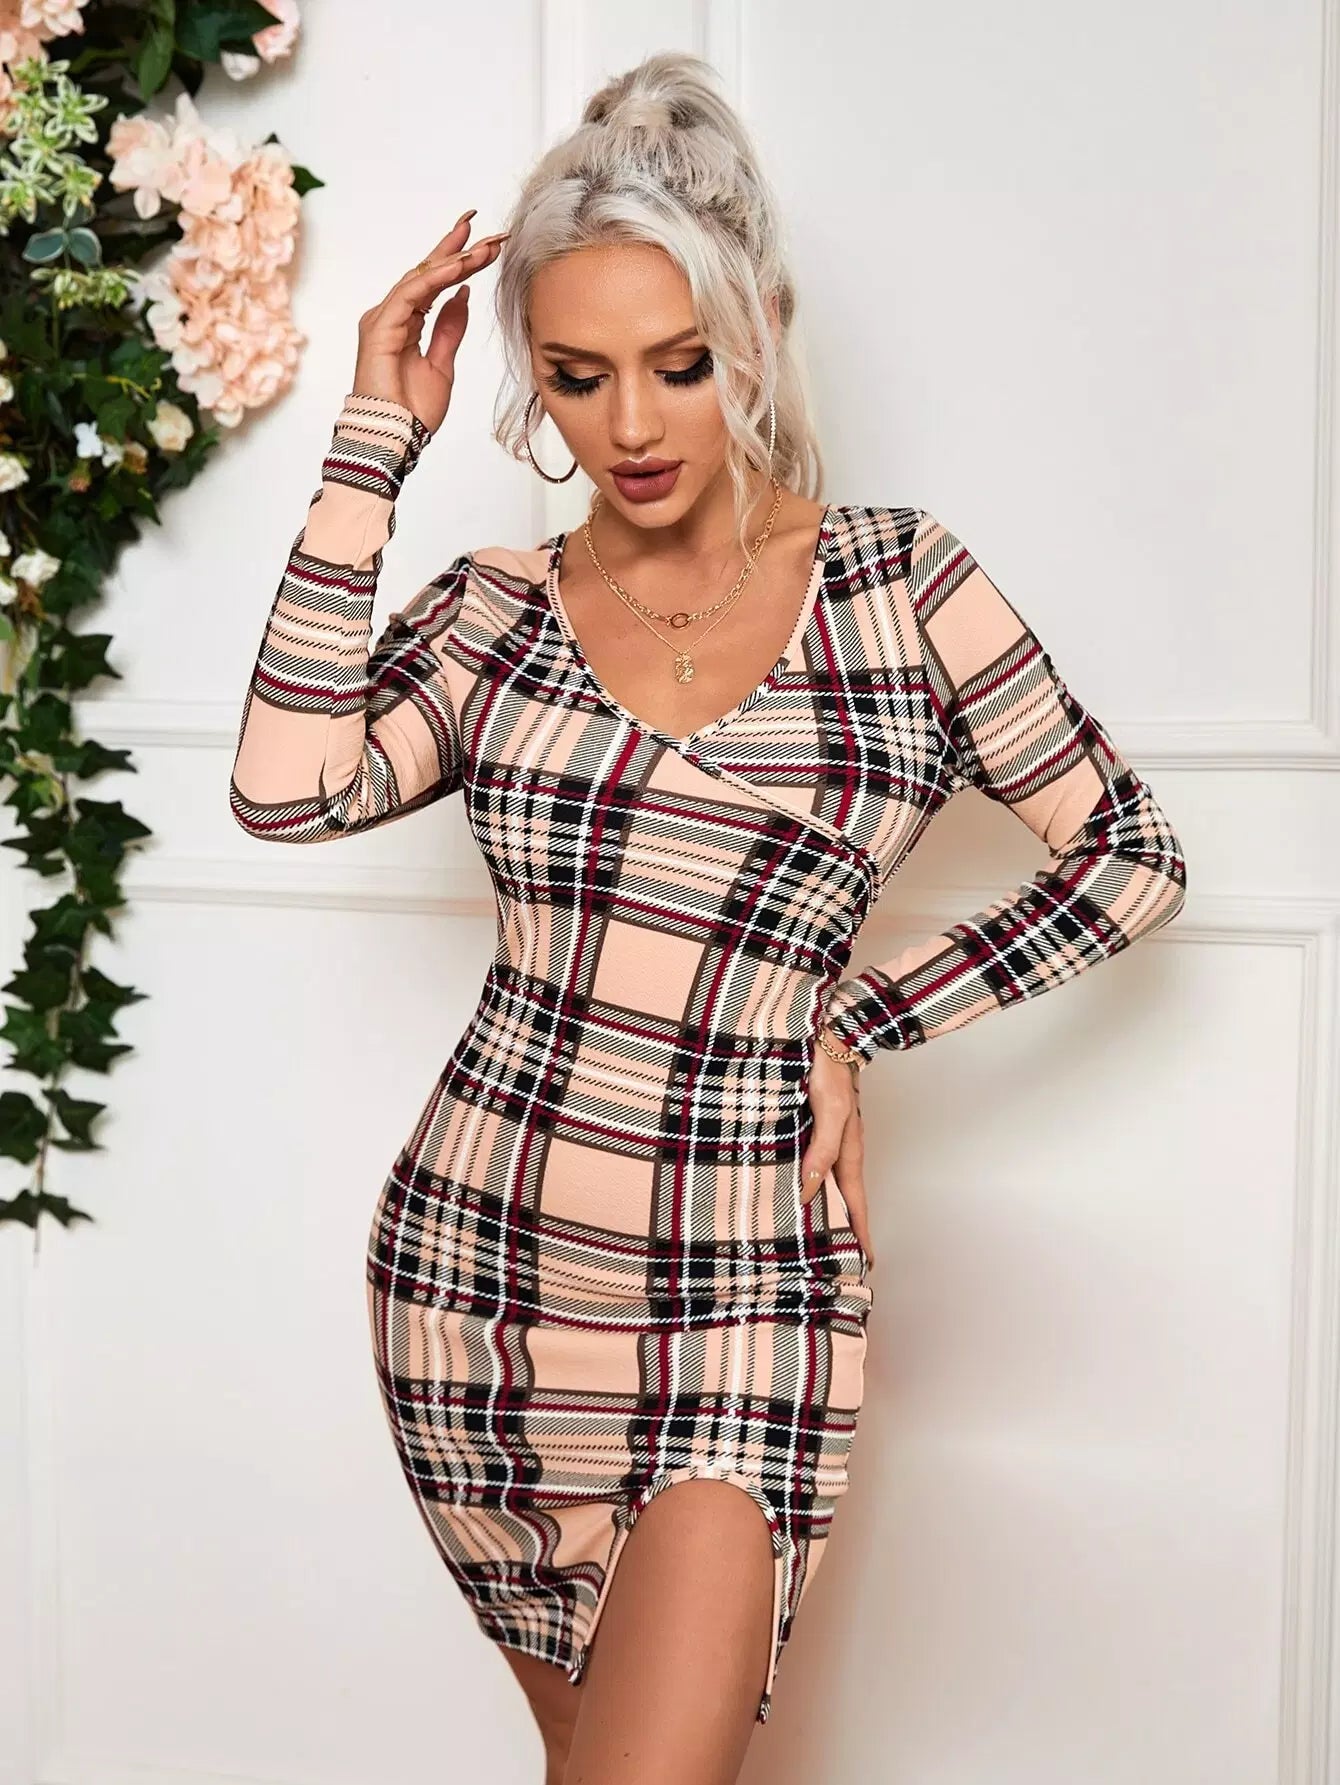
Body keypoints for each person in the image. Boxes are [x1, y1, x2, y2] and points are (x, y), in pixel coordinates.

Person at [229, 49, 1188, 1785]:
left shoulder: (904, 589)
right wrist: (375, 437)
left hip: (750, 1281)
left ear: (757, 334)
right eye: (578, 376)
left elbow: (1129, 852)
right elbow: (286, 789)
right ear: (533, 379)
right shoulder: (498, 612)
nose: (632, 426)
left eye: (678, 365)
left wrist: (859, 1019)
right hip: (478, 1275)